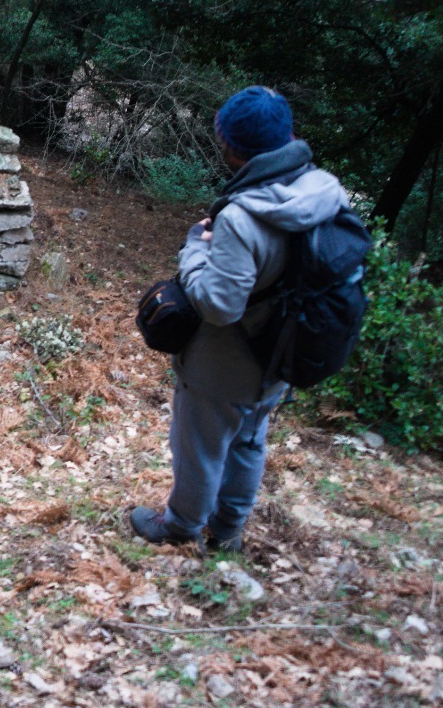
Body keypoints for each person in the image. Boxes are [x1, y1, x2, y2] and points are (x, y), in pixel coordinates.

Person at [131, 86, 351, 553]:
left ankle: (181, 527)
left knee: (200, 449)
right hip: (281, 351)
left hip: (225, 363)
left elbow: (218, 305)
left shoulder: (240, 218)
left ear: (231, 147)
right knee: (249, 441)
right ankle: (228, 532)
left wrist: (194, 248)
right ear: (288, 134)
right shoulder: (323, 192)